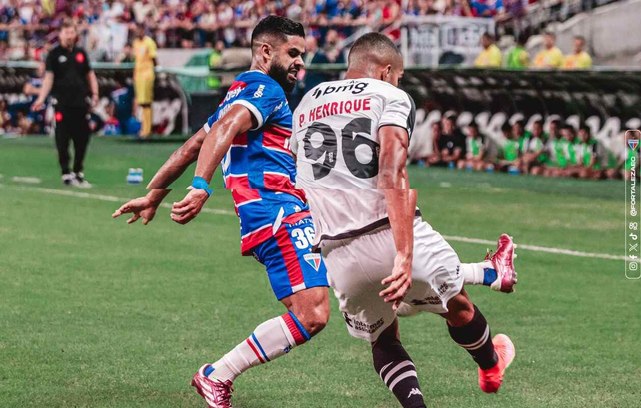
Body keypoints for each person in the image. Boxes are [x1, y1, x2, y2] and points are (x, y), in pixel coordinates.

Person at [112, 17, 515, 408]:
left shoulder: (286, 99)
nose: (301, 63)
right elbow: (224, 132)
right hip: (286, 215)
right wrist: (200, 187)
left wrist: (156, 192)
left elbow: (194, 143)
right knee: (318, 312)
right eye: (293, 53)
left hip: (319, 235)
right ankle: (218, 373)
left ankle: (490, 272)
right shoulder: (266, 90)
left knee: (386, 316)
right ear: (265, 51)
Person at [292, 32, 516, 408]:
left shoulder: (306, 102)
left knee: (384, 337)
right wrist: (402, 253)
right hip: (386, 229)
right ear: (386, 70)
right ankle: (491, 366)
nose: (400, 83)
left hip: (336, 250)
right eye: (399, 76)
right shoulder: (390, 96)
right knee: (457, 306)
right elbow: (391, 170)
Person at [31, 19, 98, 187]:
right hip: (62, 103)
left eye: (72, 32)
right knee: (62, 139)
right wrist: (41, 98)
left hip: (81, 103)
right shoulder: (54, 55)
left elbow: (90, 75)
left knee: (82, 138)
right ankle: (66, 172)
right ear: (60, 34)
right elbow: (49, 78)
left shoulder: (81, 53)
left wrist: (95, 93)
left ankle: (78, 171)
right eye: (66, 32)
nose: (69, 35)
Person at [132, 23, 157, 138]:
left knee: (146, 102)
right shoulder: (136, 43)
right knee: (141, 103)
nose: (138, 32)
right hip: (138, 75)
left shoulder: (149, 42)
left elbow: (154, 58)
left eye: (139, 30)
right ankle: (144, 128)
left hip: (147, 75)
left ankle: (147, 129)